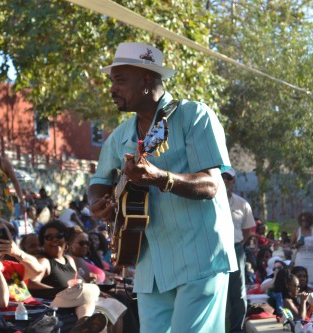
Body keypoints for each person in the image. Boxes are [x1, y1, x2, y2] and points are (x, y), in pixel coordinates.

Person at [88, 42, 236, 333]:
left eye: (120, 80)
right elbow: (99, 183)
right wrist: (100, 205)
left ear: (146, 80)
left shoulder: (194, 116)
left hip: (199, 257)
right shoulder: (119, 137)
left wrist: (161, 178)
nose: (112, 89)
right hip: (149, 264)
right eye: (112, 82)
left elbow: (211, 184)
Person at [222, 167, 256, 332]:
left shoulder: (242, 204)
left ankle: (236, 329)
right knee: (215, 290)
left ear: (233, 181)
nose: (225, 181)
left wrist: (238, 245)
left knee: (238, 291)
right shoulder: (207, 201)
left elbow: (247, 230)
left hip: (236, 249)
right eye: (222, 177)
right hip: (213, 250)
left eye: (228, 178)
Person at [291, 211, 313, 290]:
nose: (304, 223)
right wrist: (297, 245)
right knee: (299, 277)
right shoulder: (297, 231)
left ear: (310, 221)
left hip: (312, 257)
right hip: (300, 257)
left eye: (306, 221)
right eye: (302, 221)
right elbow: (291, 246)